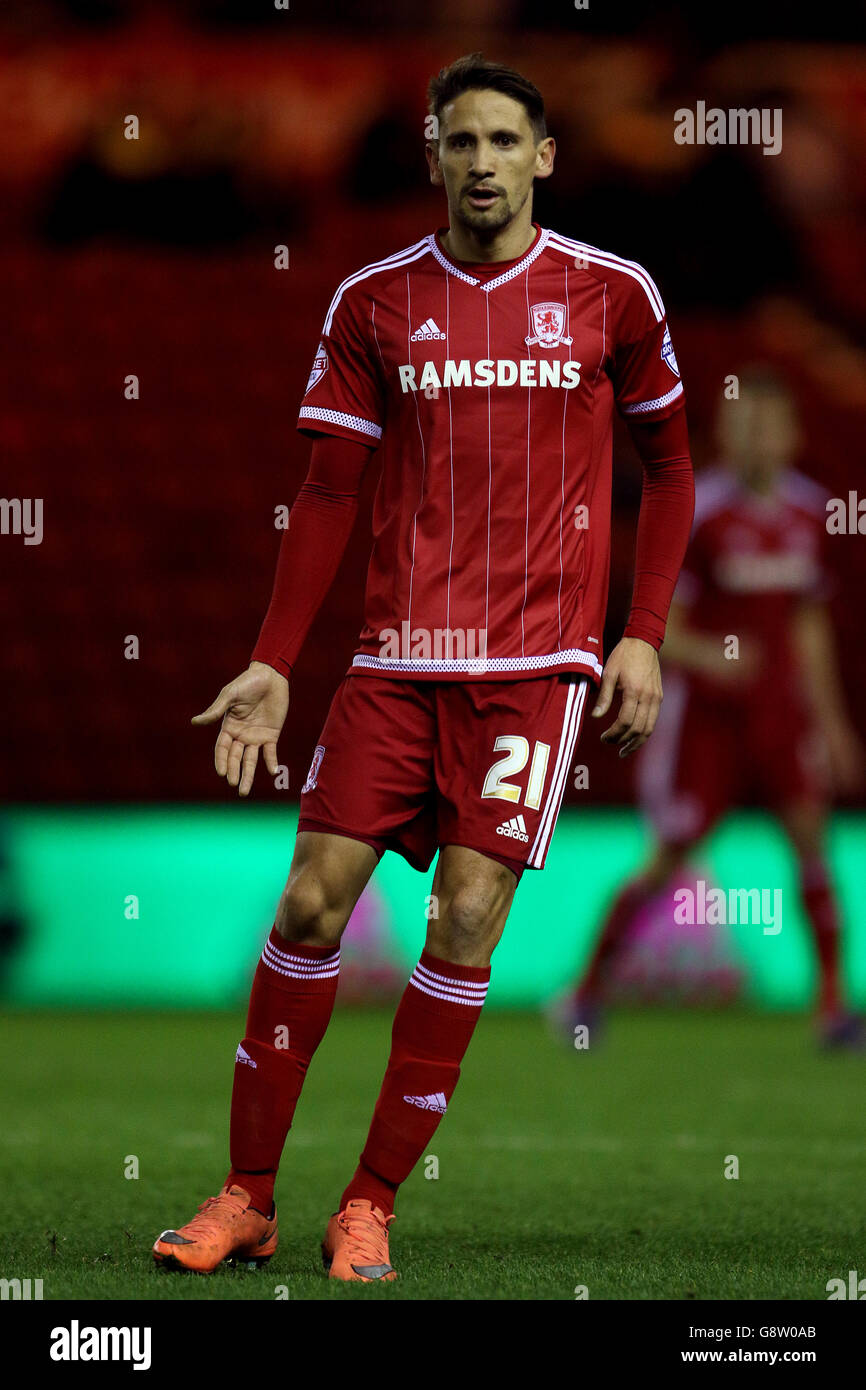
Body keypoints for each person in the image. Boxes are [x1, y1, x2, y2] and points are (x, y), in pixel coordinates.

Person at [152, 52, 694, 1282]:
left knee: (462, 920)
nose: (484, 162)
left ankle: (369, 1204)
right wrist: (274, 661)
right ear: (433, 156)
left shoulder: (613, 294)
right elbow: (329, 488)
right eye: (462, 142)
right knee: (306, 904)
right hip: (396, 662)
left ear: (543, 157)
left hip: (538, 670)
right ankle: (245, 1197)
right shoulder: (373, 302)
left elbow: (667, 471)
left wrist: (642, 632)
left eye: (506, 141)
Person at [564, 367, 863, 1046]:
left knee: (812, 842)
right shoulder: (699, 512)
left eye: (770, 424)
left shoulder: (808, 513)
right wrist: (712, 658)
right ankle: (583, 994)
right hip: (705, 721)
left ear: (792, 435)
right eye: (745, 424)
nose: (758, 438)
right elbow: (655, 626)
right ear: (725, 432)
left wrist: (831, 720)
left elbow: (808, 626)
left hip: (779, 714)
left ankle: (834, 1007)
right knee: (670, 857)